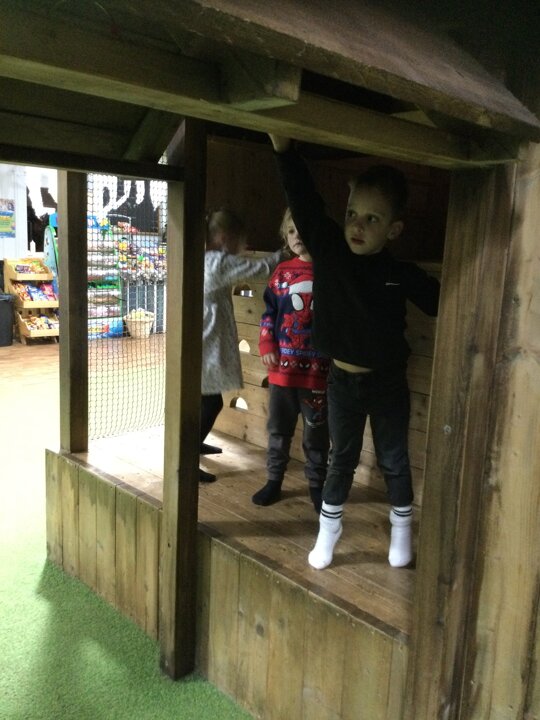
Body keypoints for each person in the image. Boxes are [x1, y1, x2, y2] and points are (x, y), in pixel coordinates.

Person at [268, 134, 440, 569]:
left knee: (394, 459)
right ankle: (329, 532)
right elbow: (305, 203)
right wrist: (284, 151)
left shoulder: (399, 273)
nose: (357, 226)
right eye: (351, 214)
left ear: (394, 229)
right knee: (341, 459)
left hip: (388, 385)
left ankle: (401, 531)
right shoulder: (330, 253)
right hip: (341, 382)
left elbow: (444, 301)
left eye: (372, 218)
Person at [253, 208, 330, 513]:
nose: (298, 236)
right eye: (292, 231)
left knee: (317, 433)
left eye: (303, 229)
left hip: (317, 375)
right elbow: (268, 313)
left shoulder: (330, 272)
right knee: (278, 430)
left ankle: (317, 485)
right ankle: (274, 480)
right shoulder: (282, 274)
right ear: (285, 236)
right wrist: (266, 343)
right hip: (282, 372)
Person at [200, 208, 283, 483]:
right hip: (206, 345)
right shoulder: (219, 262)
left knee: (203, 401)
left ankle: (193, 445)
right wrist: (283, 255)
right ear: (225, 238)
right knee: (210, 403)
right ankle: (187, 456)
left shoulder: (206, 259)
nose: (245, 246)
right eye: (242, 241)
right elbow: (260, 269)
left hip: (203, 342)